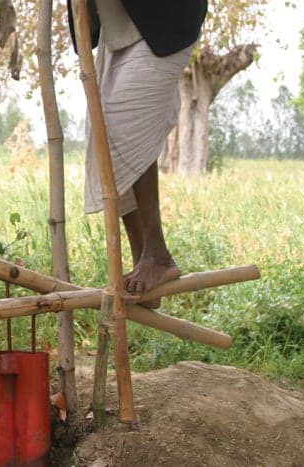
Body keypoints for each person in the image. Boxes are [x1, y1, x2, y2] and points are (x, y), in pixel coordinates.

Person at [67, 0, 208, 306]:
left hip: (162, 23)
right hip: (118, 28)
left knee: (125, 126)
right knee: (106, 138)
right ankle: (144, 256)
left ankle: (157, 255)